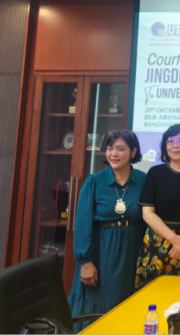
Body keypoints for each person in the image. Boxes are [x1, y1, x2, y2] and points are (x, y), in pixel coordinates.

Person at [68, 130, 146, 329]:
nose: (113, 154)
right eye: (110, 149)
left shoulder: (144, 180)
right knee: (99, 301)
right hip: (102, 251)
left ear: (133, 152)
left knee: (128, 301)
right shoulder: (94, 181)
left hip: (133, 250)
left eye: (120, 149)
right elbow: (83, 223)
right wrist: (85, 261)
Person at [134, 124, 180, 290]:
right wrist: (174, 239)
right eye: (170, 141)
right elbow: (147, 213)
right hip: (159, 240)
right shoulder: (155, 173)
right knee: (154, 294)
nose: (175, 145)